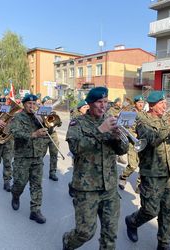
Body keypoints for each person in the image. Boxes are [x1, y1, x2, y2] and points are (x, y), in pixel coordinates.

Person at [63, 87, 129, 250]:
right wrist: (100, 131)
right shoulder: (77, 123)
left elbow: (123, 150)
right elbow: (76, 148)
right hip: (86, 188)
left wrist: (117, 139)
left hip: (110, 187)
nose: (103, 106)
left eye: (106, 102)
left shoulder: (110, 120)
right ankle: (68, 241)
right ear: (90, 104)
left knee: (110, 234)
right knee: (85, 233)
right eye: (99, 102)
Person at [125, 91, 170, 250]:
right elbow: (151, 140)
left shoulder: (166, 120)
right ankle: (132, 221)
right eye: (161, 103)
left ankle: (164, 243)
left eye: (165, 103)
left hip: (168, 172)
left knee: (167, 210)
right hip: (151, 172)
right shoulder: (142, 120)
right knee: (150, 210)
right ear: (152, 105)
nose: (165, 106)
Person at [10, 94, 48, 224]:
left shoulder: (38, 117)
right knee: (20, 183)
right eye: (29, 104)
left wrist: (46, 121)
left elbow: (49, 129)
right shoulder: (18, 117)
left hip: (37, 156)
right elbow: (15, 133)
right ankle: (15, 195)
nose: (32, 106)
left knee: (37, 184)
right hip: (22, 156)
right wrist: (33, 134)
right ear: (24, 104)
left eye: (34, 104)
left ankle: (35, 211)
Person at [118, 95, 145, 193]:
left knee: (142, 165)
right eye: (139, 103)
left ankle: (139, 185)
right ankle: (123, 176)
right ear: (135, 104)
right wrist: (134, 135)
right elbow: (124, 128)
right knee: (133, 165)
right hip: (132, 142)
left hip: (142, 143)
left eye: (142, 103)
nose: (141, 104)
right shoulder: (130, 113)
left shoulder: (144, 114)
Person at [68, 99, 89, 197]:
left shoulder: (89, 118)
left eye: (87, 107)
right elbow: (72, 138)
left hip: (88, 148)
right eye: (85, 107)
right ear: (80, 109)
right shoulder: (75, 119)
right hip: (78, 148)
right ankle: (72, 185)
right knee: (78, 170)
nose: (87, 108)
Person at [40, 96, 61, 181]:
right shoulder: (40, 112)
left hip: (53, 134)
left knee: (54, 154)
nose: (49, 103)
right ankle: (38, 171)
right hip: (43, 134)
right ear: (43, 103)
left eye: (50, 102)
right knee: (41, 154)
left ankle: (52, 172)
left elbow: (59, 123)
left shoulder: (53, 112)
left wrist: (57, 121)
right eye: (47, 102)